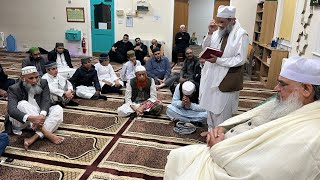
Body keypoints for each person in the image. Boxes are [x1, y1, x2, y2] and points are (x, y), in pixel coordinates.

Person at [164, 56, 320, 179]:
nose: (275, 88)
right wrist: (224, 128)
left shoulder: (309, 136)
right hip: (230, 146)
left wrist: (218, 147)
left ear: (306, 89)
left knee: (182, 161)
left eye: (283, 84)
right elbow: (249, 118)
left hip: (230, 162)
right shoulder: (290, 103)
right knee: (179, 155)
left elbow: (262, 173)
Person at [200, 6, 249, 128]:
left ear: (232, 20)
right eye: (218, 21)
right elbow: (205, 47)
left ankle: (220, 136)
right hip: (211, 74)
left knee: (221, 111)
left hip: (227, 77)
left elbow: (241, 59)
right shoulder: (217, 33)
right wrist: (210, 33)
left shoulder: (241, 35)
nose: (219, 25)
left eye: (222, 22)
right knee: (210, 107)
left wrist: (219, 61)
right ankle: (211, 131)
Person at [5, 66, 64, 150]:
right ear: (23, 78)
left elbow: (46, 100)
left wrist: (42, 115)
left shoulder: (43, 82)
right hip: (21, 121)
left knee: (58, 109)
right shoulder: (14, 89)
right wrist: (31, 118)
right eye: (31, 78)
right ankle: (46, 132)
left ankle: (33, 138)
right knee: (23, 104)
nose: (35, 81)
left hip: (38, 119)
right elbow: (12, 111)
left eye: (36, 77)